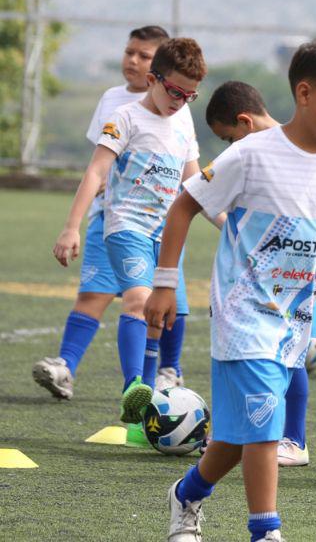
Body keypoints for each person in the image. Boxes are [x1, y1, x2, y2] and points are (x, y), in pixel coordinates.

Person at [146, 39, 316, 542]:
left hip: (295, 323)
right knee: (266, 424)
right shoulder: (251, 154)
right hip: (242, 315)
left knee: (238, 438)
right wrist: (165, 285)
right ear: (304, 93)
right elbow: (184, 207)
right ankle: (266, 531)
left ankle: (187, 494)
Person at [51, 37, 206, 448]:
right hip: (126, 229)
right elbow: (95, 173)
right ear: (154, 80)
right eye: (174, 91)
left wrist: (228, 219)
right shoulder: (124, 118)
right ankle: (133, 389)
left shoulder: (184, 120)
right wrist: (72, 227)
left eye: (189, 94)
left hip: (166, 235)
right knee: (138, 301)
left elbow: (194, 184)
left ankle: (144, 414)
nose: (180, 101)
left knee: (160, 317)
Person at [205, 80, 316, 468]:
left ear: (243, 121)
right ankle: (250, 435)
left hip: (296, 278)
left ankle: (293, 439)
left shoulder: (307, 149)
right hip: (259, 276)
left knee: (291, 355)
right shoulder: (251, 155)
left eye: (228, 138)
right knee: (271, 357)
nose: (230, 146)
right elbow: (195, 199)